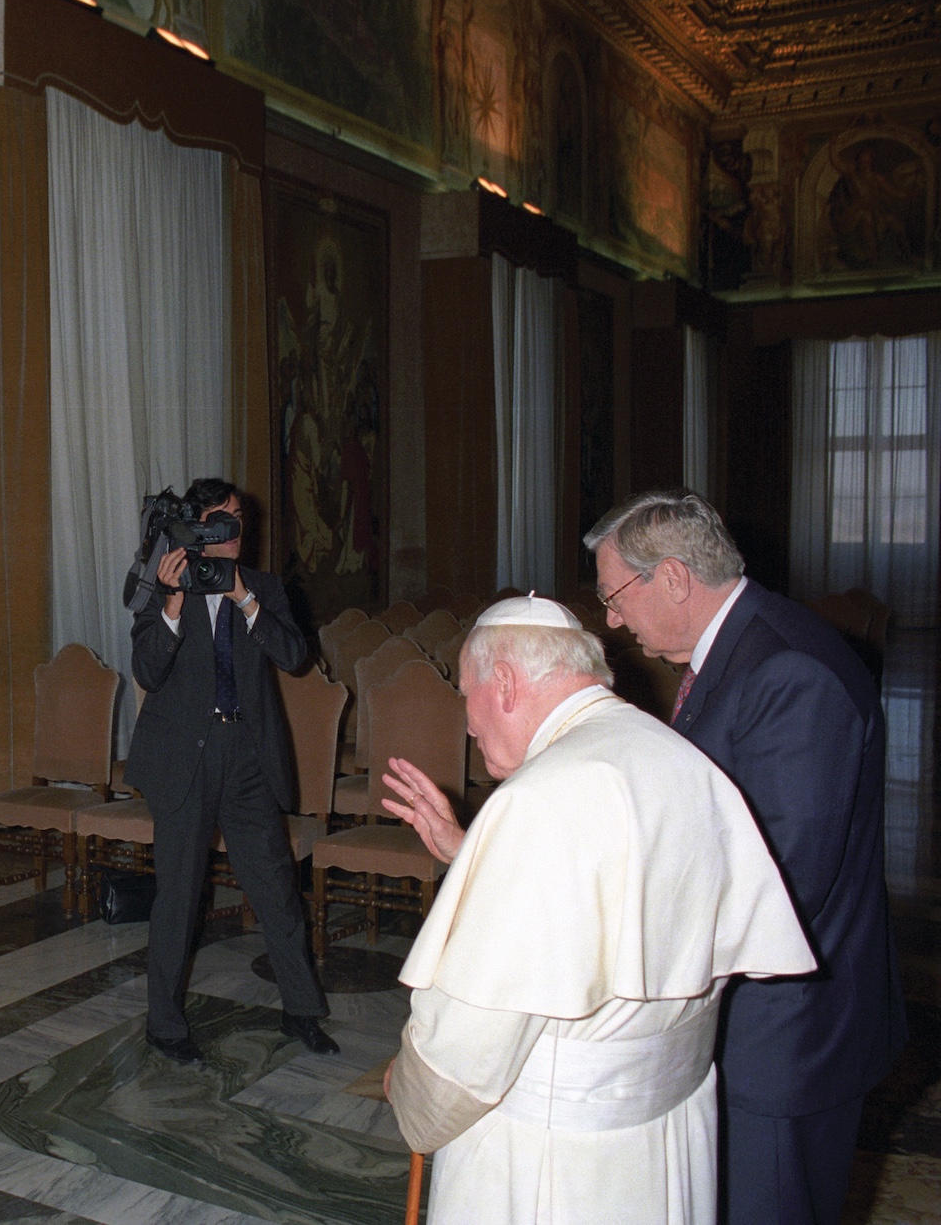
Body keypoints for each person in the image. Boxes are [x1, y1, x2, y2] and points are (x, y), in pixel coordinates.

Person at [380, 595, 814, 1223]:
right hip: (668, 1134)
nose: (468, 727)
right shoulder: (679, 758)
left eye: (467, 697)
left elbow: (466, 1056)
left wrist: (412, 1087)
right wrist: (471, 852)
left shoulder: (539, 797)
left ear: (502, 682)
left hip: (551, 1162)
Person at [585, 490, 906, 1224]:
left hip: (788, 1039)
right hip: (760, 1027)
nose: (610, 619)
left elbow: (786, 879)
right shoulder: (740, 651)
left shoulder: (787, 671)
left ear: (671, 578)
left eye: (614, 595)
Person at [126, 478, 336, 1064]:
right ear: (194, 529)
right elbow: (147, 671)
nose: (235, 531)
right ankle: (164, 1025)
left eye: (240, 518)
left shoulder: (265, 587)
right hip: (184, 761)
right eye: (221, 521)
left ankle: (302, 1011)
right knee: (179, 898)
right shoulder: (163, 586)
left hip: (245, 756)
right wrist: (169, 604)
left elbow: (294, 657)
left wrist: (246, 600)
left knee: (275, 889)